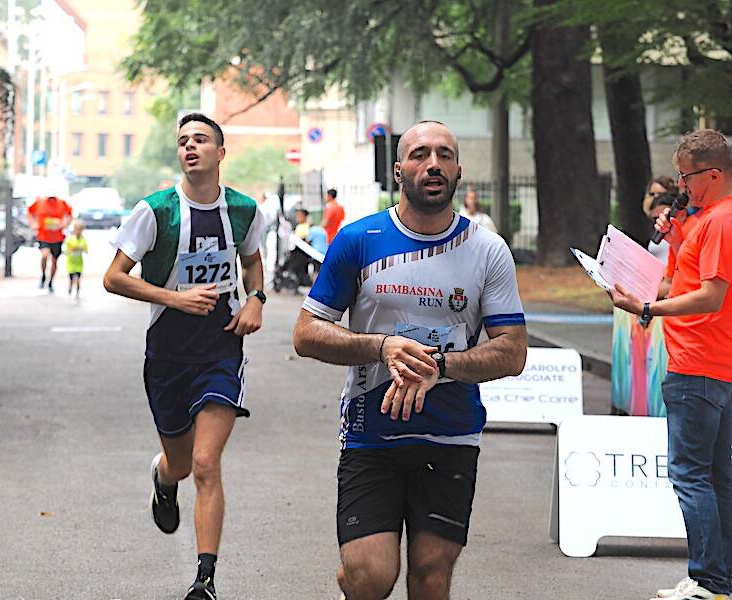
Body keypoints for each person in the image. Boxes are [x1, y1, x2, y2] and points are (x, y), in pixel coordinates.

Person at [293, 120, 527, 600]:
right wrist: (380, 346)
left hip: (451, 433)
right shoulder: (360, 239)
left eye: (445, 154)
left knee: (429, 575)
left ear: (459, 170)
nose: (433, 164)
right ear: (398, 170)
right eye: (420, 154)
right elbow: (306, 334)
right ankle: (353, 580)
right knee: (370, 575)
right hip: (370, 433)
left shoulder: (488, 250)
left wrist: (441, 366)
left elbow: (513, 350)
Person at [103, 113, 267, 600]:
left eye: (200, 140)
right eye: (183, 141)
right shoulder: (156, 211)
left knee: (205, 462)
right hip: (169, 352)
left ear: (221, 152)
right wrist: (173, 298)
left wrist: (255, 299)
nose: (190, 147)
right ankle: (161, 476)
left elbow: (253, 259)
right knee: (178, 462)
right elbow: (114, 277)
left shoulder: (243, 210)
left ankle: (205, 580)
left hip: (220, 347)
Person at [610, 129, 732, 600]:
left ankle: (707, 578)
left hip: (698, 360)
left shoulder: (720, 220)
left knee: (691, 474)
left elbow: (709, 295)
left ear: (714, 174)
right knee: (715, 474)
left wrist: (646, 311)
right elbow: (681, 279)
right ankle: (719, 578)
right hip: (708, 361)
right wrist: (676, 230)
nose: (680, 186)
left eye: (687, 177)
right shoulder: (704, 219)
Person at [28, 194, 72, 293]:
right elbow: (30, 212)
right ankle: (43, 275)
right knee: (45, 255)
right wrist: (33, 223)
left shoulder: (62, 203)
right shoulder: (40, 202)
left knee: (54, 261)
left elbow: (70, 214)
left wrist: (64, 224)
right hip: (43, 235)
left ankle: (51, 282)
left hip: (57, 237)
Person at [63, 219, 88, 298]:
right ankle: (70, 288)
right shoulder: (70, 238)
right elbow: (65, 249)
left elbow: (86, 249)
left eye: (81, 230)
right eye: (78, 230)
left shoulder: (83, 239)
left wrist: (82, 248)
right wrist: (71, 250)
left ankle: (77, 292)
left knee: (78, 279)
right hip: (71, 262)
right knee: (71, 279)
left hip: (79, 262)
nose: (79, 232)